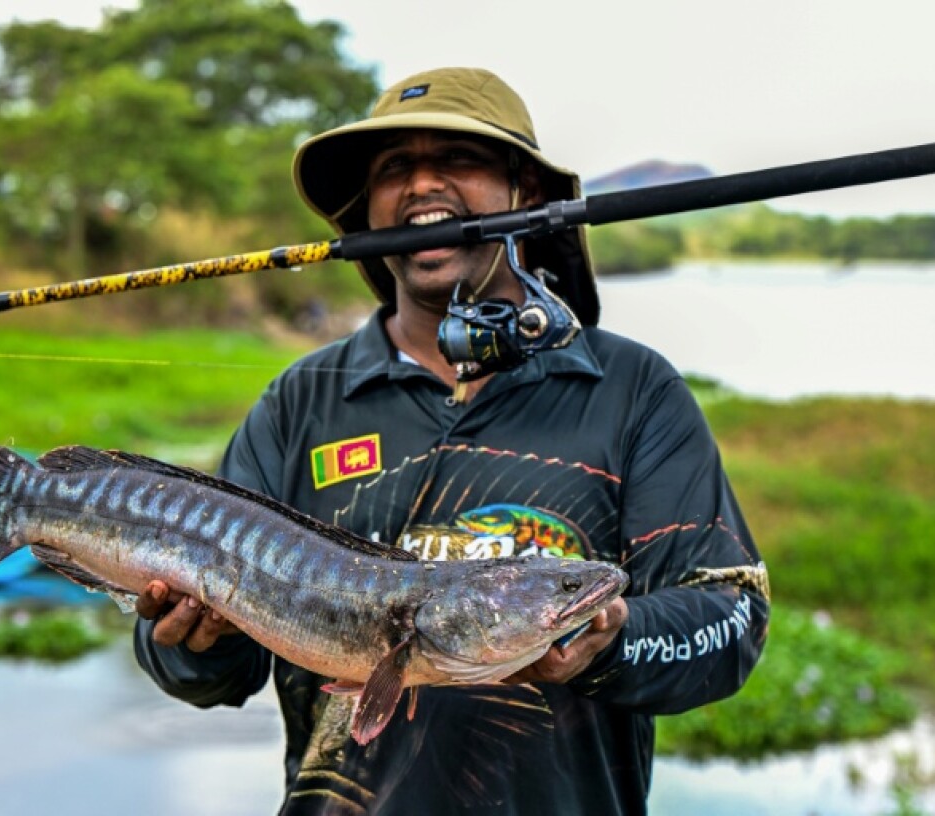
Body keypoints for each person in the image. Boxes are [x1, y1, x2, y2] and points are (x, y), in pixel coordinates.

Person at [134, 67, 770, 815]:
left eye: (459, 160)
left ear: (525, 192)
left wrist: (612, 643)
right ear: (367, 209)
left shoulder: (633, 390)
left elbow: (731, 618)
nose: (422, 186)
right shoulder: (298, 404)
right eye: (394, 168)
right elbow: (210, 675)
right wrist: (188, 639)